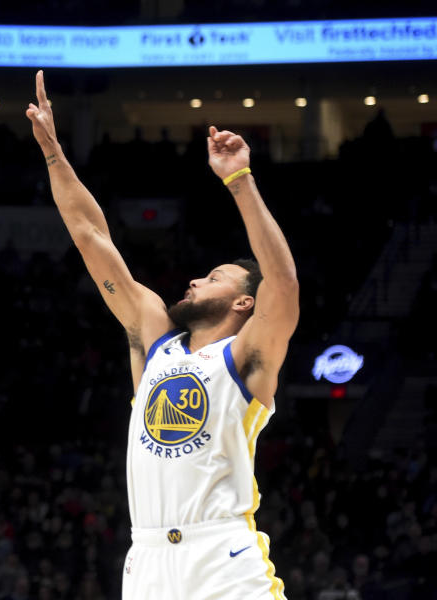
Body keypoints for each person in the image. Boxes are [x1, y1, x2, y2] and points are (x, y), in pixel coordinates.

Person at [26, 70, 297, 599]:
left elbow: (282, 282)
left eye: (214, 277)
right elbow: (90, 235)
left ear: (246, 301)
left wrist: (239, 181)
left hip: (222, 555)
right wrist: (54, 153)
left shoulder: (246, 356)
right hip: (145, 559)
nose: (196, 279)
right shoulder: (154, 341)